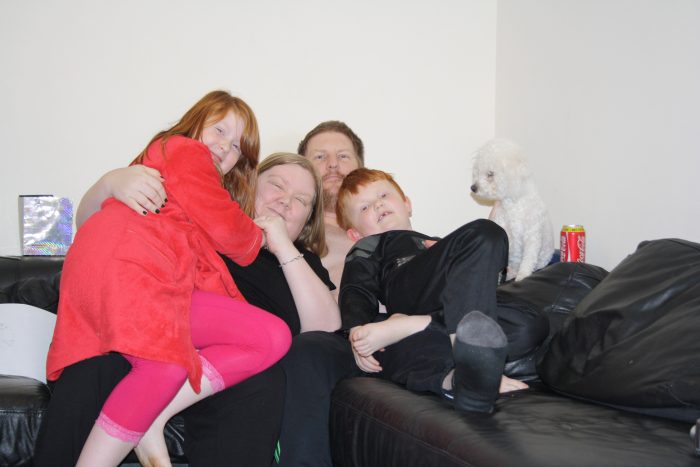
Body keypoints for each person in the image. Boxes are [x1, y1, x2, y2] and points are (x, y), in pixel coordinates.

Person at [33, 152, 338, 467]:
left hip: (229, 370)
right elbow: (94, 225)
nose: (286, 201)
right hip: (159, 339)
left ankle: (153, 416)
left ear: (308, 220)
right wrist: (109, 184)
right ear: (248, 186)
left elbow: (326, 328)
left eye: (301, 200)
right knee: (97, 363)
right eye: (277, 185)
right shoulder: (208, 224)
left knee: (263, 382)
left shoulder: (304, 263)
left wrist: (283, 246)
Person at [335, 168, 549, 412]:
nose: (377, 205)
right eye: (364, 207)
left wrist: (454, 255)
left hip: (446, 312)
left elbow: (476, 290)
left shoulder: (440, 244)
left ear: (407, 204)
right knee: (485, 231)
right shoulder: (372, 244)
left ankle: (430, 337)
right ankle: (472, 357)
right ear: (355, 234)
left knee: (529, 324)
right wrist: (356, 329)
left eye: (383, 195)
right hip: (405, 287)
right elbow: (355, 287)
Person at [297, 121, 364, 296]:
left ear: (360, 167)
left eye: (343, 156)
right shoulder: (292, 236)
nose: (333, 164)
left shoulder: (388, 221)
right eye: (320, 157)